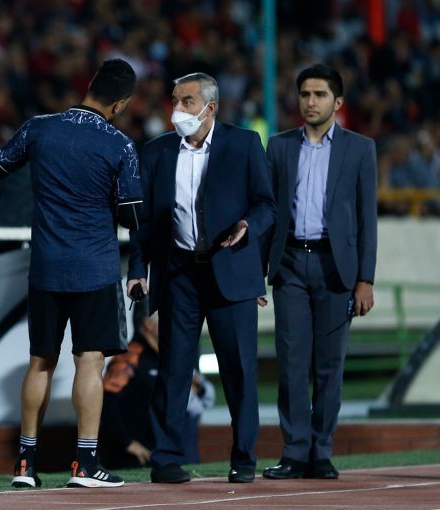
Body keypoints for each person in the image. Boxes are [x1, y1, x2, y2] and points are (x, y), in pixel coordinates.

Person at [0, 59, 142, 489]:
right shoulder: (120, 145)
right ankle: (85, 464)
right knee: (89, 361)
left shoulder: (39, 128)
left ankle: (25, 464)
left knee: (41, 361)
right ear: (120, 103)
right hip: (95, 269)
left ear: (90, 86)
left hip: (46, 268)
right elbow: (132, 217)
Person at [127, 72, 275, 484]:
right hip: (178, 273)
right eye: (175, 100)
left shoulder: (244, 144)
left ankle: (243, 458)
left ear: (210, 107)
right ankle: (166, 459)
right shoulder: (156, 151)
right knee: (173, 368)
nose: (177, 109)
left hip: (230, 269)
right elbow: (143, 219)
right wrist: (137, 268)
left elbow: (267, 205)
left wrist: (248, 225)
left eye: (186, 102)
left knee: (239, 370)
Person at [262, 64, 376, 481]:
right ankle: (294, 452)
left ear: (338, 102)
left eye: (320, 95)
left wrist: (366, 279)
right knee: (291, 363)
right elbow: (267, 211)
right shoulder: (278, 146)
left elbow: (366, 219)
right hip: (290, 263)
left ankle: (321, 451)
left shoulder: (360, 149)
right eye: (305, 94)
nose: (310, 102)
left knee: (330, 366)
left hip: (336, 268)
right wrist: (258, 271)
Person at [99, 305, 214, 468]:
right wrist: (127, 443)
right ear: (148, 324)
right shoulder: (129, 358)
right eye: (167, 316)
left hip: (169, 456)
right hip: (135, 461)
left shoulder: (169, 358)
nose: (174, 322)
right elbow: (105, 401)